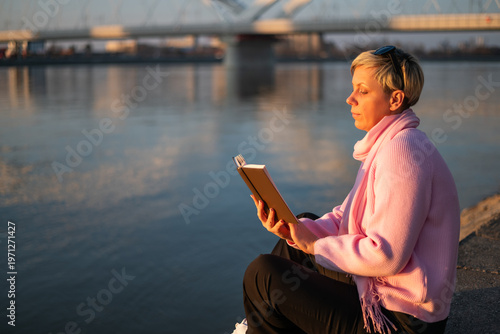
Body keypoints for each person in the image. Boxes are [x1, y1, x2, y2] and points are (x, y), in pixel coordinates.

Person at [235, 46, 460, 334]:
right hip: (384, 296)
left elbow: (387, 255)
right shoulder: (389, 144)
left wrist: (314, 245)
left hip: (401, 321)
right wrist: (294, 231)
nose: (349, 99)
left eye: (363, 91)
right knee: (298, 236)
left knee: (263, 275)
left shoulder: (403, 152)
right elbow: (344, 218)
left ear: (395, 99)